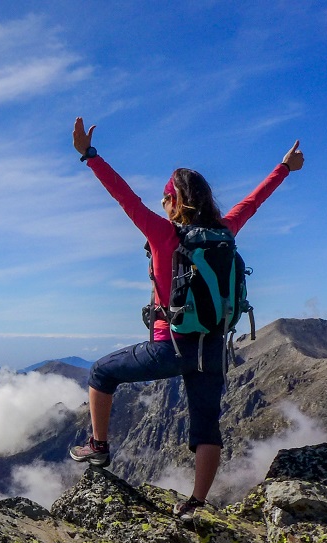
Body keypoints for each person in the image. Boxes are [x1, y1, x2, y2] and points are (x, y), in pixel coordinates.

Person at [68, 117, 304, 520]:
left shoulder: (164, 234)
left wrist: (90, 156)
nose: (161, 205)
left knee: (101, 374)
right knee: (206, 426)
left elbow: (124, 197)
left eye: (164, 199)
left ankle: (98, 446)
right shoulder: (225, 231)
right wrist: (283, 168)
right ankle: (195, 503)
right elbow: (253, 201)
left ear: (174, 201)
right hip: (212, 345)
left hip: (170, 345)